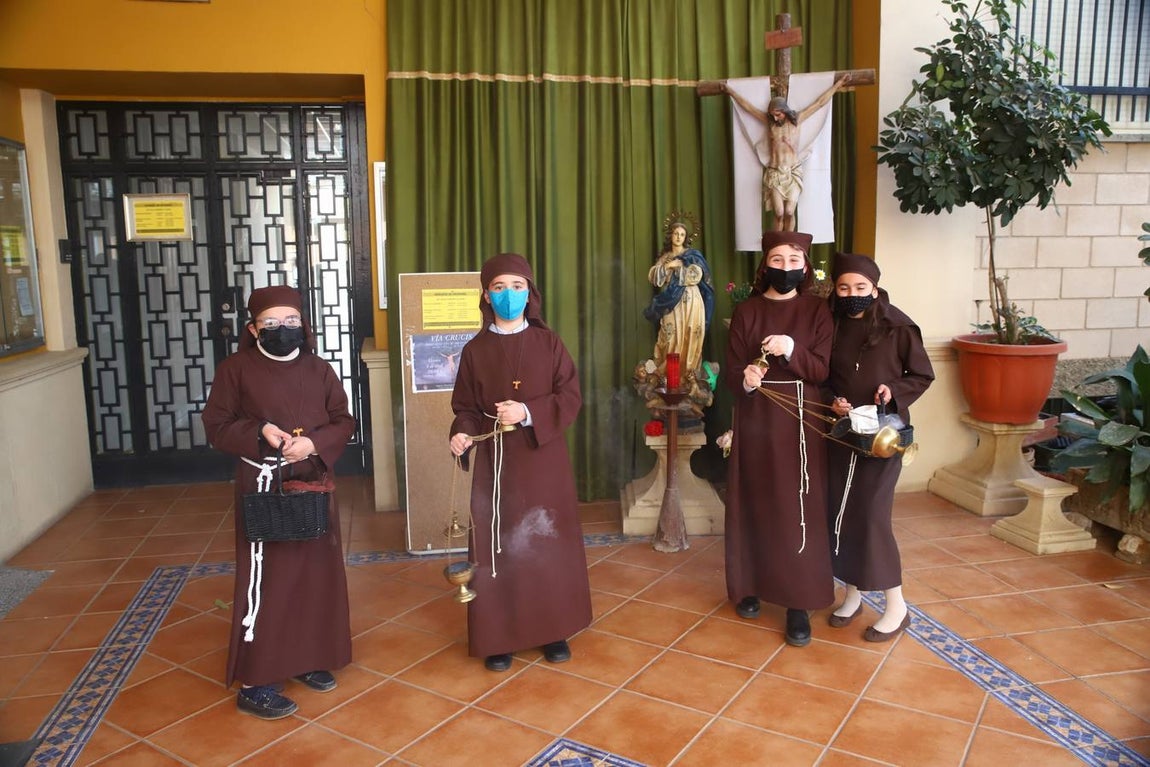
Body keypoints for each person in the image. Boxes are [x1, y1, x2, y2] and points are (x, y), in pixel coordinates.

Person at [201, 285, 356, 719]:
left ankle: (306, 657)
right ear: (253, 329)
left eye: (290, 321)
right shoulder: (235, 369)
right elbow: (216, 424)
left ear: (302, 325)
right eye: (270, 322)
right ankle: (257, 681)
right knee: (271, 579)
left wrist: (314, 445)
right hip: (264, 484)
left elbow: (343, 420)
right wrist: (260, 431)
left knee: (315, 573)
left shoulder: (319, 369)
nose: (282, 329)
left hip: (313, 482)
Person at [448, 253, 591, 672]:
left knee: (546, 540)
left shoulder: (550, 344)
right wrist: (461, 433)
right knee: (498, 544)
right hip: (495, 464)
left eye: (516, 286)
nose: (508, 294)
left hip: (543, 461)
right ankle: (499, 637)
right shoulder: (474, 350)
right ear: (486, 296)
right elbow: (465, 407)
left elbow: (570, 397)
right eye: (498, 287)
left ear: (530, 295)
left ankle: (552, 630)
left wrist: (527, 412)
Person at [724, 230, 834, 647]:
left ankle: (797, 602)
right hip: (756, 420)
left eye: (793, 261)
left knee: (795, 507)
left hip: (800, 424)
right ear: (764, 265)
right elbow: (732, 372)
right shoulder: (747, 311)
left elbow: (821, 371)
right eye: (777, 260)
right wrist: (746, 379)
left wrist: (791, 349)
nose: (785, 268)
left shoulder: (817, 311)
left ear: (804, 268)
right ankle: (750, 584)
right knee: (756, 501)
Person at [825, 253, 934, 641]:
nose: (851, 293)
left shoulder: (897, 326)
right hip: (843, 434)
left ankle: (896, 606)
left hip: (884, 437)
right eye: (843, 287)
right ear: (835, 289)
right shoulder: (830, 322)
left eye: (860, 287)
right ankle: (852, 594)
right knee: (841, 512)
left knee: (871, 516)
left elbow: (921, 374)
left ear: (874, 288)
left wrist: (894, 390)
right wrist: (834, 401)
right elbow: (823, 375)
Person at [720, 77, 851, 231]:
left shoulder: (797, 120)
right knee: (779, 212)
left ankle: (789, 241)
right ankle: (777, 242)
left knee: (789, 212)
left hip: (793, 172)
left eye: (778, 114)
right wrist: (730, 91)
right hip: (775, 172)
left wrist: (838, 84)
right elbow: (747, 107)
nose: (775, 118)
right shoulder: (769, 122)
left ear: (785, 110)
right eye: (772, 114)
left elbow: (820, 103)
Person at [643, 219, 715, 384]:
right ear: (671, 236)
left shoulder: (692, 255)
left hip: (691, 300)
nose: (678, 237)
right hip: (671, 302)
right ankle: (669, 378)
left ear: (685, 237)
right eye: (676, 233)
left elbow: (697, 276)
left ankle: (688, 378)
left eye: (682, 234)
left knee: (691, 334)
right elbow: (654, 277)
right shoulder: (666, 257)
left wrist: (678, 268)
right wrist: (668, 266)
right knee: (670, 337)